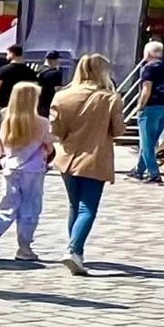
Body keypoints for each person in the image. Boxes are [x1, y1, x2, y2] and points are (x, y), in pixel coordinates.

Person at [49, 53, 126, 276]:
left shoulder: (62, 97)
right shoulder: (110, 98)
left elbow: (56, 131)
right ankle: (74, 249)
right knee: (88, 208)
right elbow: (119, 130)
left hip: (68, 157)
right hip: (95, 157)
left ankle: (74, 249)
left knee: (75, 206)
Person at [0, 81, 53, 263]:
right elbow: (49, 147)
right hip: (33, 169)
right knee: (30, 207)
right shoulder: (41, 122)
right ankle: (24, 247)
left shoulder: (6, 120)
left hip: (10, 167)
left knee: (7, 204)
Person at [128, 40, 164, 183]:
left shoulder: (148, 68)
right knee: (152, 140)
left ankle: (153, 172)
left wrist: (140, 106)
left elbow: (146, 89)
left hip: (150, 107)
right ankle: (139, 169)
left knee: (146, 142)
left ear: (149, 53)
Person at [0, 44, 39, 124]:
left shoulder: (4, 70)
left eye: (7, 53)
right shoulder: (30, 72)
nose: (6, 56)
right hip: (24, 109)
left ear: (12, 54)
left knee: (0, 132)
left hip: (5, 106)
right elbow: (35, 91)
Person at [36, 51, 65, 118]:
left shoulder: (39, 70)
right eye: (58, 59)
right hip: (50, 104)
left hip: (38, 104)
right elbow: (58, 90)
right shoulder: (55, 73)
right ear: (54, 60)